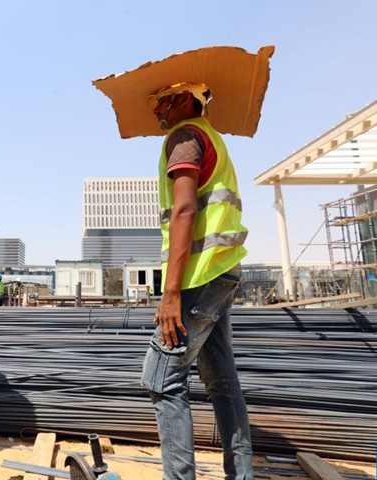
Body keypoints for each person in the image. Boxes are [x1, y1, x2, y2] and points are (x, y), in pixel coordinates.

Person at [141, 82, 253, 480]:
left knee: (162, 379)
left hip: (199, 276)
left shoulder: (184, 137)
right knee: (222, 380)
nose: (157, 113)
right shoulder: (213, 140)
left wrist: (170, 293)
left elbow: (185, 210)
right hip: (222, 272)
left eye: (161, 102)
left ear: (185, 98)